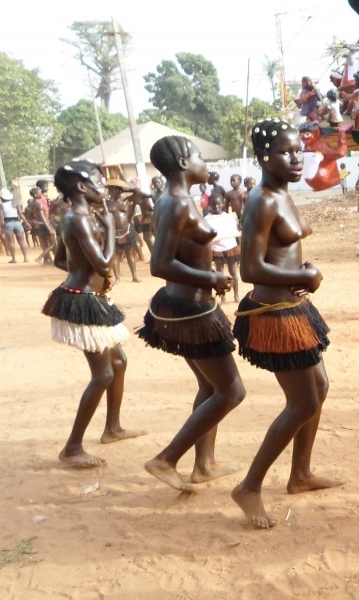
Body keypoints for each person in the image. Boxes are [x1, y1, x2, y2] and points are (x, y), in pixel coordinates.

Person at [231, 118, 341, 529]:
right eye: (285, 152)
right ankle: (249, 487)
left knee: (320, 388)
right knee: (304, 401)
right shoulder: (262, 199)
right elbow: (249, 267)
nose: (296, 159)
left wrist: (301, 276)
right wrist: (302, 277)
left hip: (293, 308)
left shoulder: (282, 193)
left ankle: (300, 474)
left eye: (298, 151)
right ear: (264, 157)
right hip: (274, 313)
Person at [138, 136, 246, 492]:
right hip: (190, 310)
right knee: (231, 391)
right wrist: (211, 276)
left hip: (190, 304)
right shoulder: (175, 203)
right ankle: (166, 459)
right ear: (184, 163)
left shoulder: (179, 200)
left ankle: (204, 463)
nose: (205, 163)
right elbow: (159, 263)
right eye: (199, 156)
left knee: (210, 386)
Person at [42, 160, 144, 467]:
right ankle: (72, 447)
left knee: (119, 362)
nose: (104, 188)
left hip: (92, 297)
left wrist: (86, 273)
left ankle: (112, 428)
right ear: (82, 187)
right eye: (100, 182)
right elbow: (104, 264)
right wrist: (112, 229)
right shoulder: (79, 219)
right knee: (104, 374)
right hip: (82, 301)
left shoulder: (80, 217)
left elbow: (61, 260)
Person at [204, 190, 241, 302]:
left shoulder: (229, 217)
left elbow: (236, 234)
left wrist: (239, 247)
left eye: (219, 203)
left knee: (233, 271)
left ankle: (236, 295)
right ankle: (223, 296)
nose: (217, 206)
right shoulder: (206, 220)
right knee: (219, 273)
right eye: (214, 204)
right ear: (209, 205)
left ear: (223, 204)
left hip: (231, 247)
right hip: (217, 249)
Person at [106, 180, 141, 283]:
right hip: (113, 231)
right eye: (110, 190)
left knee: (130, 253)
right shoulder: (107, 203)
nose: (110, 192)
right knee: (115, 254)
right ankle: (117, 278)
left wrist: (127, 189)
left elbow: (138, 193)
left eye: (113, 190)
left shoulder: (127, 201)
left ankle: (134, 276)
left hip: (127, 230)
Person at [0, 187, 30, 263]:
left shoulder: (1, 206)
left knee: (11, 242)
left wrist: (0, 227)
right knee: (21, 241)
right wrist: (27, 223)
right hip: (17, 222)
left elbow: (1, 217)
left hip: (8, 223)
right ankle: (25, 258)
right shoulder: (15, 203)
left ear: (1, 197)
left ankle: (14, 259)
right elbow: (21, 214)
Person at [30, 187, 56, 265]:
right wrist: (49, 228)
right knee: (53, 244)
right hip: (44, 225)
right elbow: (43, 218)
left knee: (45, 244)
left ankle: (49, 261)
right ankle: (40, 257)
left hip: (38, 225)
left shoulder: (32, 203)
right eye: (39, 192)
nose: (41, 194)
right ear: (35, 194)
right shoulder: (39, 204)